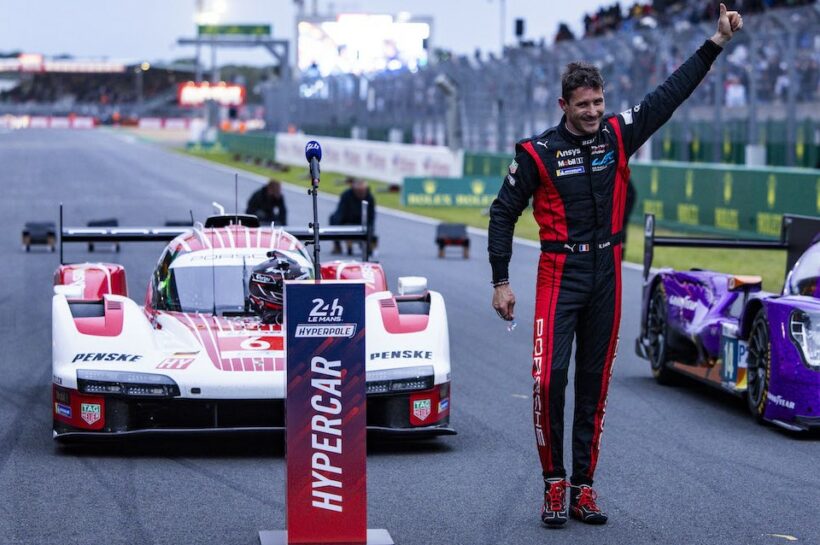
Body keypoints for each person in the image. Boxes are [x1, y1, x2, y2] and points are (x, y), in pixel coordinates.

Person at [488, 3, 742, 528]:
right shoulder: (536, 153)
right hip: (559, 274)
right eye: (583, 104)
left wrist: (715, 42)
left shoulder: (618, 134)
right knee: (546, 379)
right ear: (564, 104)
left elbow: (671, 94)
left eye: (599, 102)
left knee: (595, 383)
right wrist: (501, 280)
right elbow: (502, 213)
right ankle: (552, 483)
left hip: (607, 274)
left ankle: (583, 486)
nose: (593, 112)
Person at [329, 177, 377, 255]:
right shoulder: (346, 196)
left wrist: (370, 231)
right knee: (332, 218)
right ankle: (337, 245)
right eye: (359, 191)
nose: (361, 193)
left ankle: (367, 244)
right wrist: (342, 229)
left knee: (369, 249)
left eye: (363, 191)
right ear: (354, 189)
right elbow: (340, 213)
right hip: (347, 222)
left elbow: (372, 217)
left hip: (363, 223)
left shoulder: (370, 198)